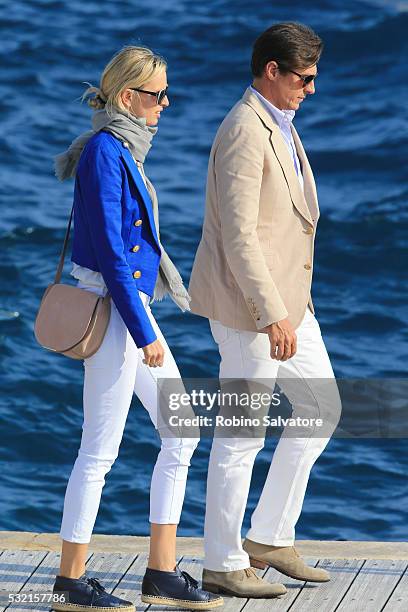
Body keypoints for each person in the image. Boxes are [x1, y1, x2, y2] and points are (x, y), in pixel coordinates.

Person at [51, 46, 223, 611]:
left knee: (181, 432)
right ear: (128, 98)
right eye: (157, 95)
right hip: (116, 309)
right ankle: (71, 580)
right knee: (99, 450)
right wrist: (143, 330)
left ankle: (161, 571)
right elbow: (109, 252)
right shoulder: (105, 151)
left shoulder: (122, 147)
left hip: (132, 308)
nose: (165, 104)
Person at [188, 22, 342, 598]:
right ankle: (223, 562)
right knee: (241, 436)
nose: (310, 88)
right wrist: (270, 312)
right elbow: (239, 236)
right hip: (249, 307)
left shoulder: (278, 121)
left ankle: (270, 537)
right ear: (271, 71)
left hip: (290, 304)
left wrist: (289, 308)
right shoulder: (245, 130)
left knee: (319, 409)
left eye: (314, 78)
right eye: (303, 78)